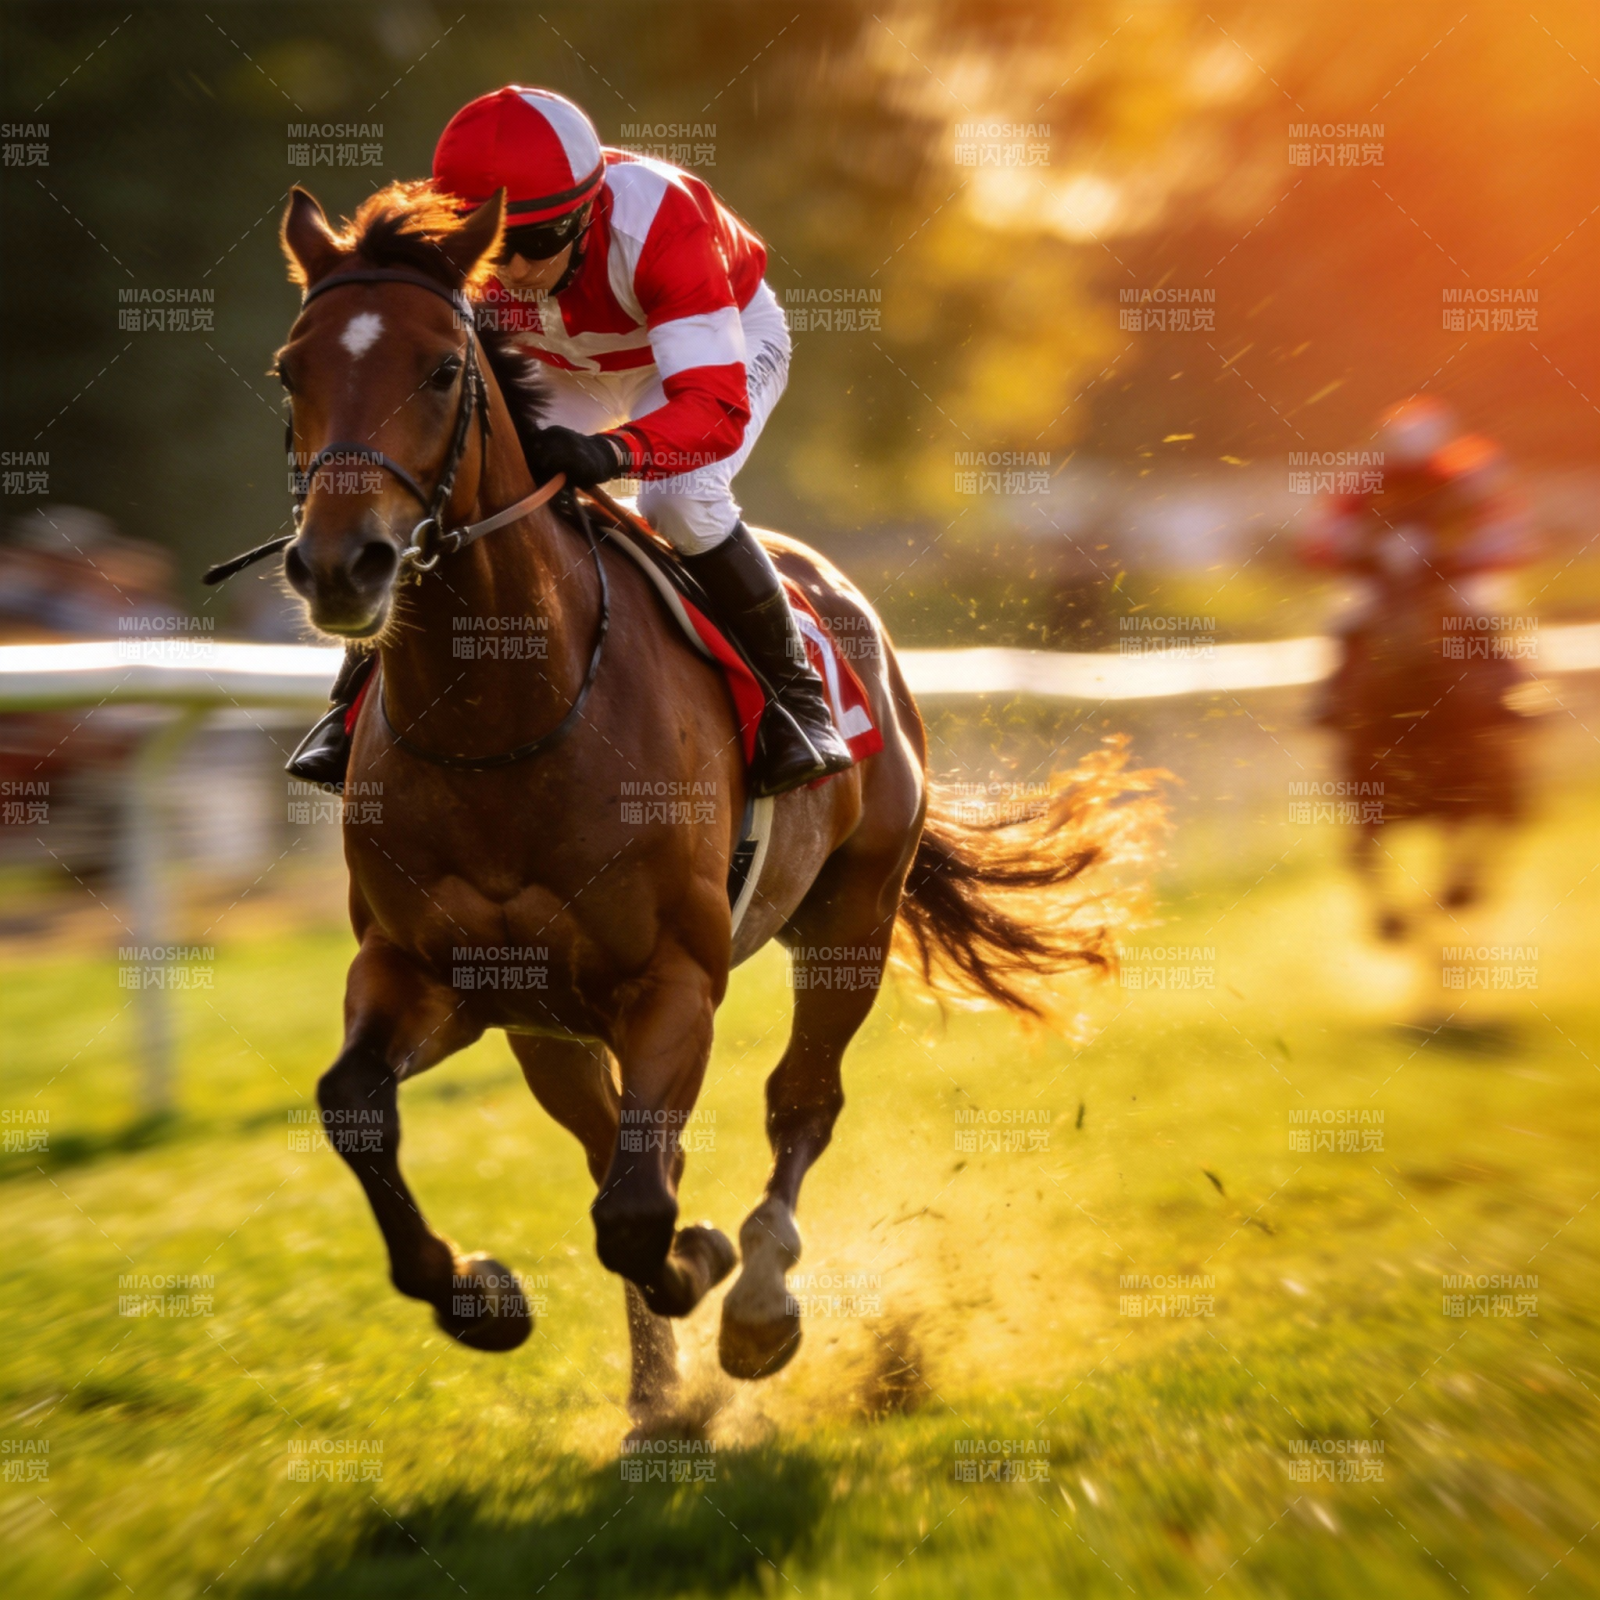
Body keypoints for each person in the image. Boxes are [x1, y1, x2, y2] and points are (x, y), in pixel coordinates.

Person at [289, 85, 851, 795]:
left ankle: (794, 701)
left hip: (699, 349)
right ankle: (348, 710)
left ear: (588, 210)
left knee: (678, 499)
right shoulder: (452, 248)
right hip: (561, 362)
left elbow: (711, 409)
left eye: (539, 242)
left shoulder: (661, 222)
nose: (517, 270)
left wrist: (614, 451)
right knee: (458, 487)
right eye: (500, 246)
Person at [1300, 396, 1537, 728]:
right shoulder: (1365, 476)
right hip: (1384, 576)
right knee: (1350, 619)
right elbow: (1329, 528)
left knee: (1480, 612)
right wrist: (1346, 552)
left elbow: (1504, 525)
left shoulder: (1470, 472)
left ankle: (1508, 691)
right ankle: (1336, 695)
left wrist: (1472, 554)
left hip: (1453, 573)